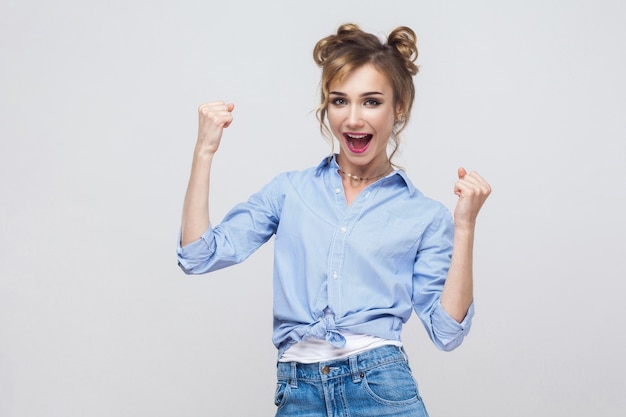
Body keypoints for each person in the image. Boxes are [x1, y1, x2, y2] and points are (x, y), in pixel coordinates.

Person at [177, 23, 491, 417]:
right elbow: (197, 255)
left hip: (380, 387)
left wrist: (465, 226)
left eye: (371, 102)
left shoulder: (424, 215)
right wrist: (204, 151)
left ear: (399, 108)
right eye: (340, 101)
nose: (353, 118)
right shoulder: (290, 192)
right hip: (298, 391)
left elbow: (447, 332)